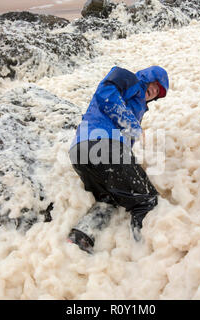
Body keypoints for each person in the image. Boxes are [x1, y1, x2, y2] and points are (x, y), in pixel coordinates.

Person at [67, 65, 169, 253]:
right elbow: (106, 95)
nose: (153, 91)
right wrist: (133, 127)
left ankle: (80, 237)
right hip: (104, 145)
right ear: (146, 77)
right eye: (154, 85)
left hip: (80, 152)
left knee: (109, 199)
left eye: (157, 93)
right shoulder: (127, 78)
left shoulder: (135, 105)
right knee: (145, 199)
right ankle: (147, 250)